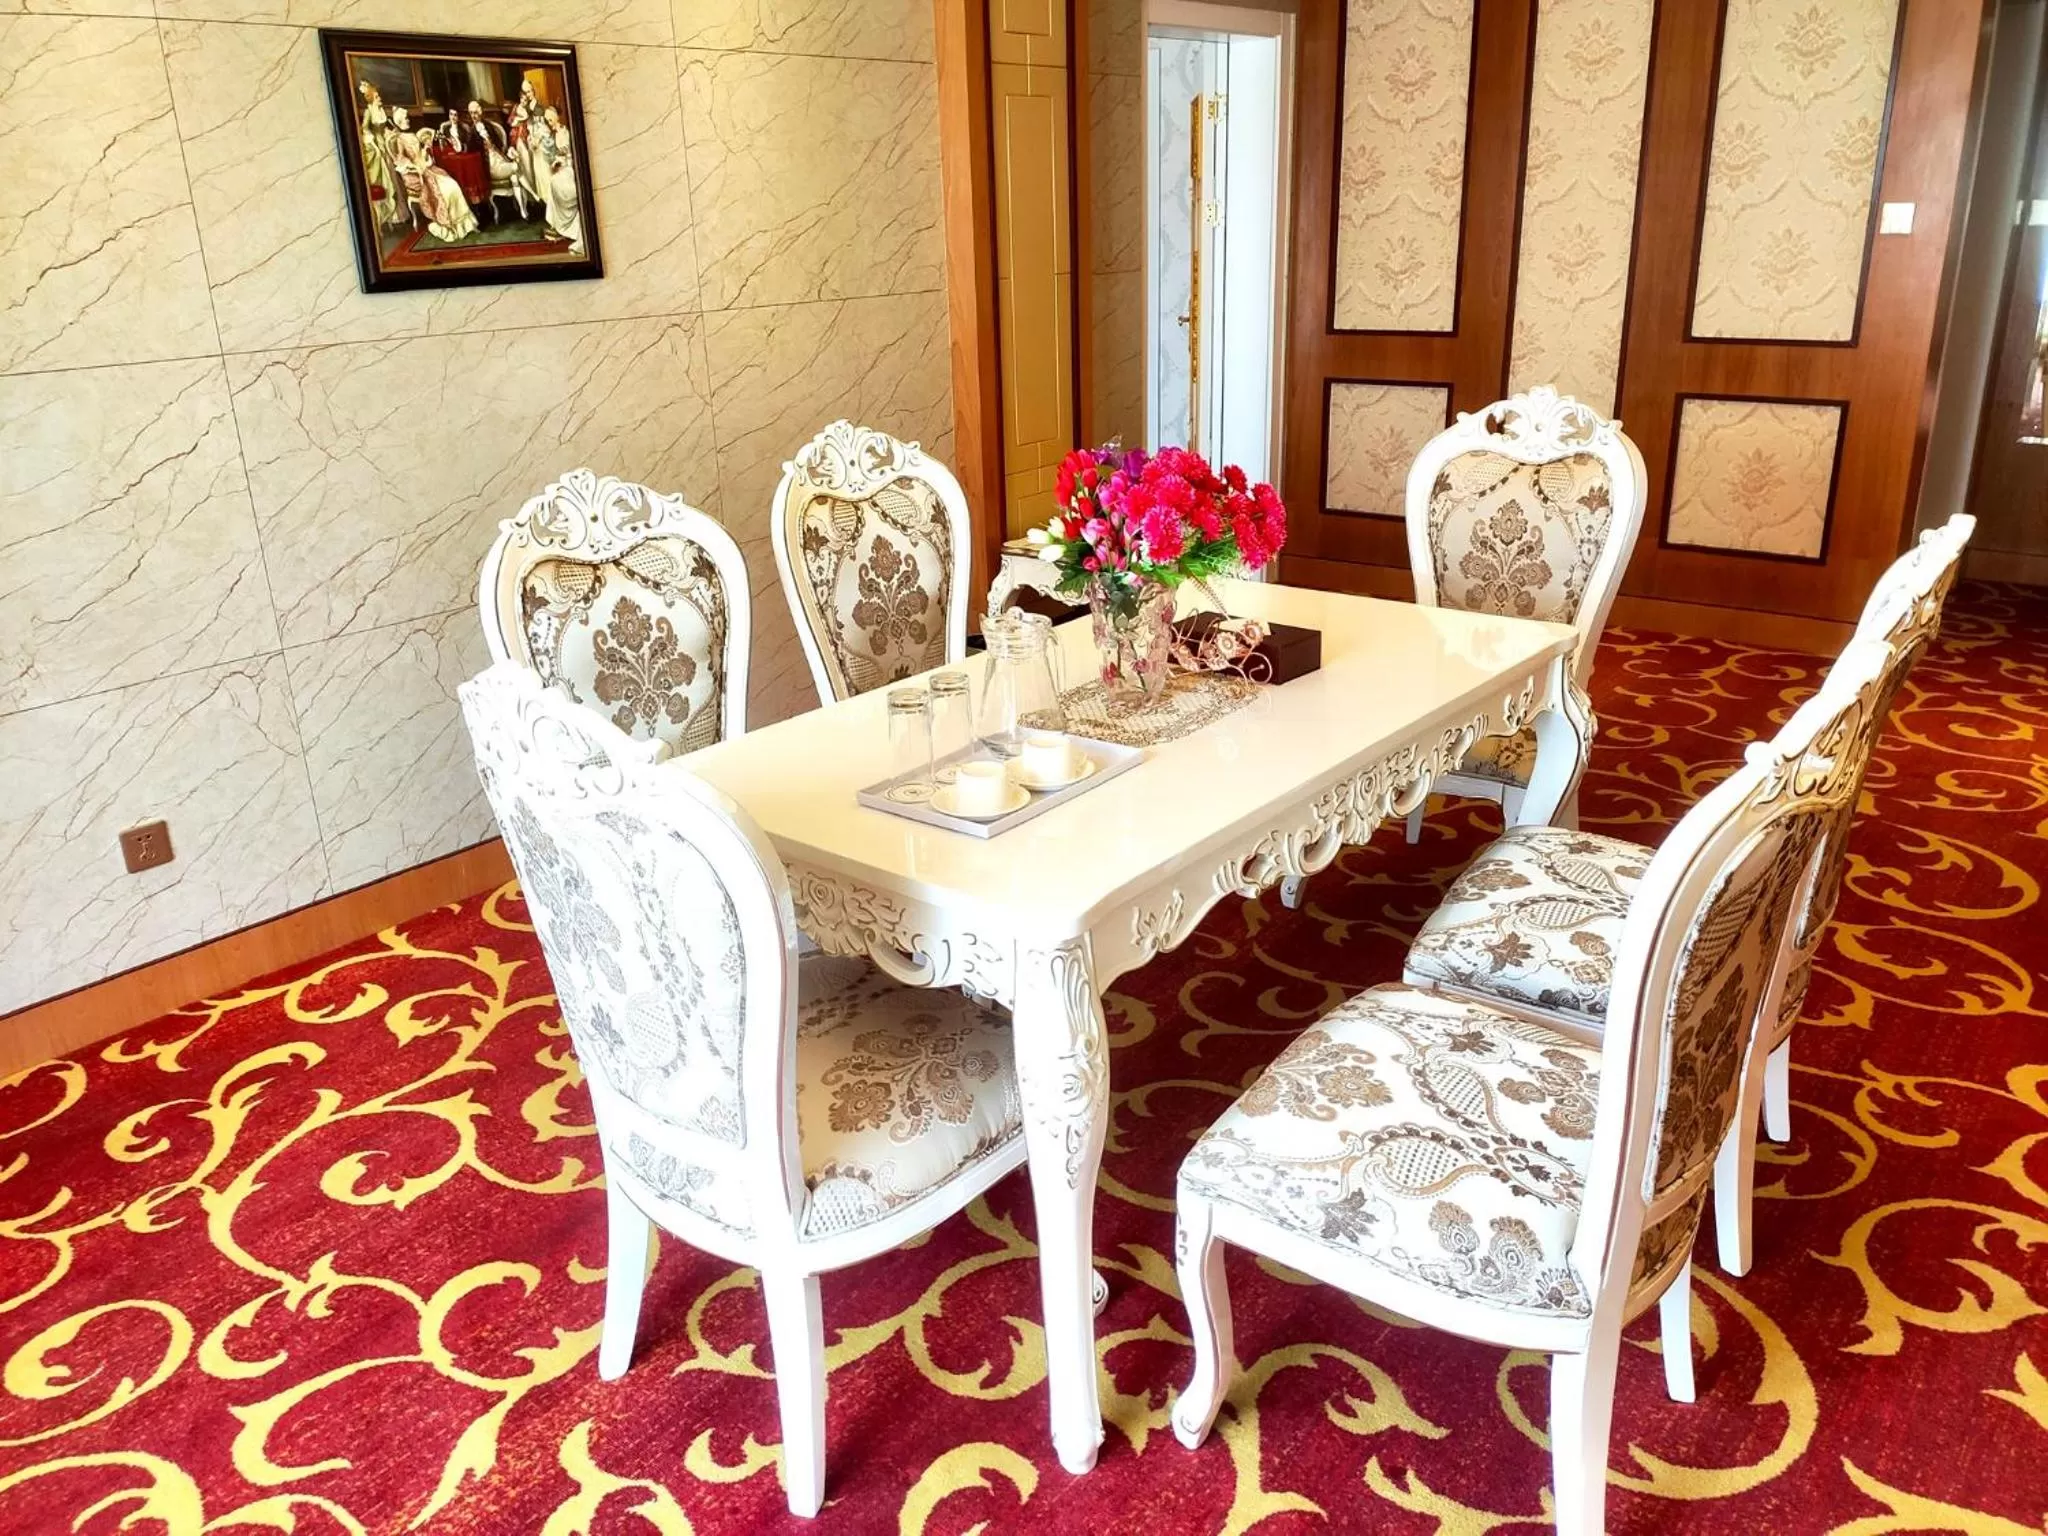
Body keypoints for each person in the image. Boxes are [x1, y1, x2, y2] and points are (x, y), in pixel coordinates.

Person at [388, 108, 478, 244]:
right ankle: (449, 225)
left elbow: (420, 153)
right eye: (405, 119)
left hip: (427, 166)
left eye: (407, 118)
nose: (408, 120)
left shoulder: (412, 134)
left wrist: (425, 151)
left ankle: (464, 225)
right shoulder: (400, 139)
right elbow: (401, 158)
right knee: (445, 192)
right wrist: (413, 166)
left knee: (452, 185)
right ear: (399, 122)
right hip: (419, 171)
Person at [531, 104, 583, 254]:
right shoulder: (554, 134)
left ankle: (562, 225)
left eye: (550, 120)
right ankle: (556, 224)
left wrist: (560, 162)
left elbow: (569, 154)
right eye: (547, 121)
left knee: (556, 182)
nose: (549, 123)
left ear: (556, 119)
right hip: (564, 167)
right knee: (554, 181)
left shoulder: (565, 133)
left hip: (572, 168)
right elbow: (556, 155)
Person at [357, 80, 408, 230]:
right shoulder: (368, 111)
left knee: (393, 178)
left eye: (379, 96)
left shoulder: (382, 110)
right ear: (371, 98)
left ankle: (398, 214)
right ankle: (387, 214)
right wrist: (373, 143)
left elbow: (384, 128)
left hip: (385, 144)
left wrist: (391, 133)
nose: (380, 98)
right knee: (384, 179)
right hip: (376, 146)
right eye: (377, 96)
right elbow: (364, 129)